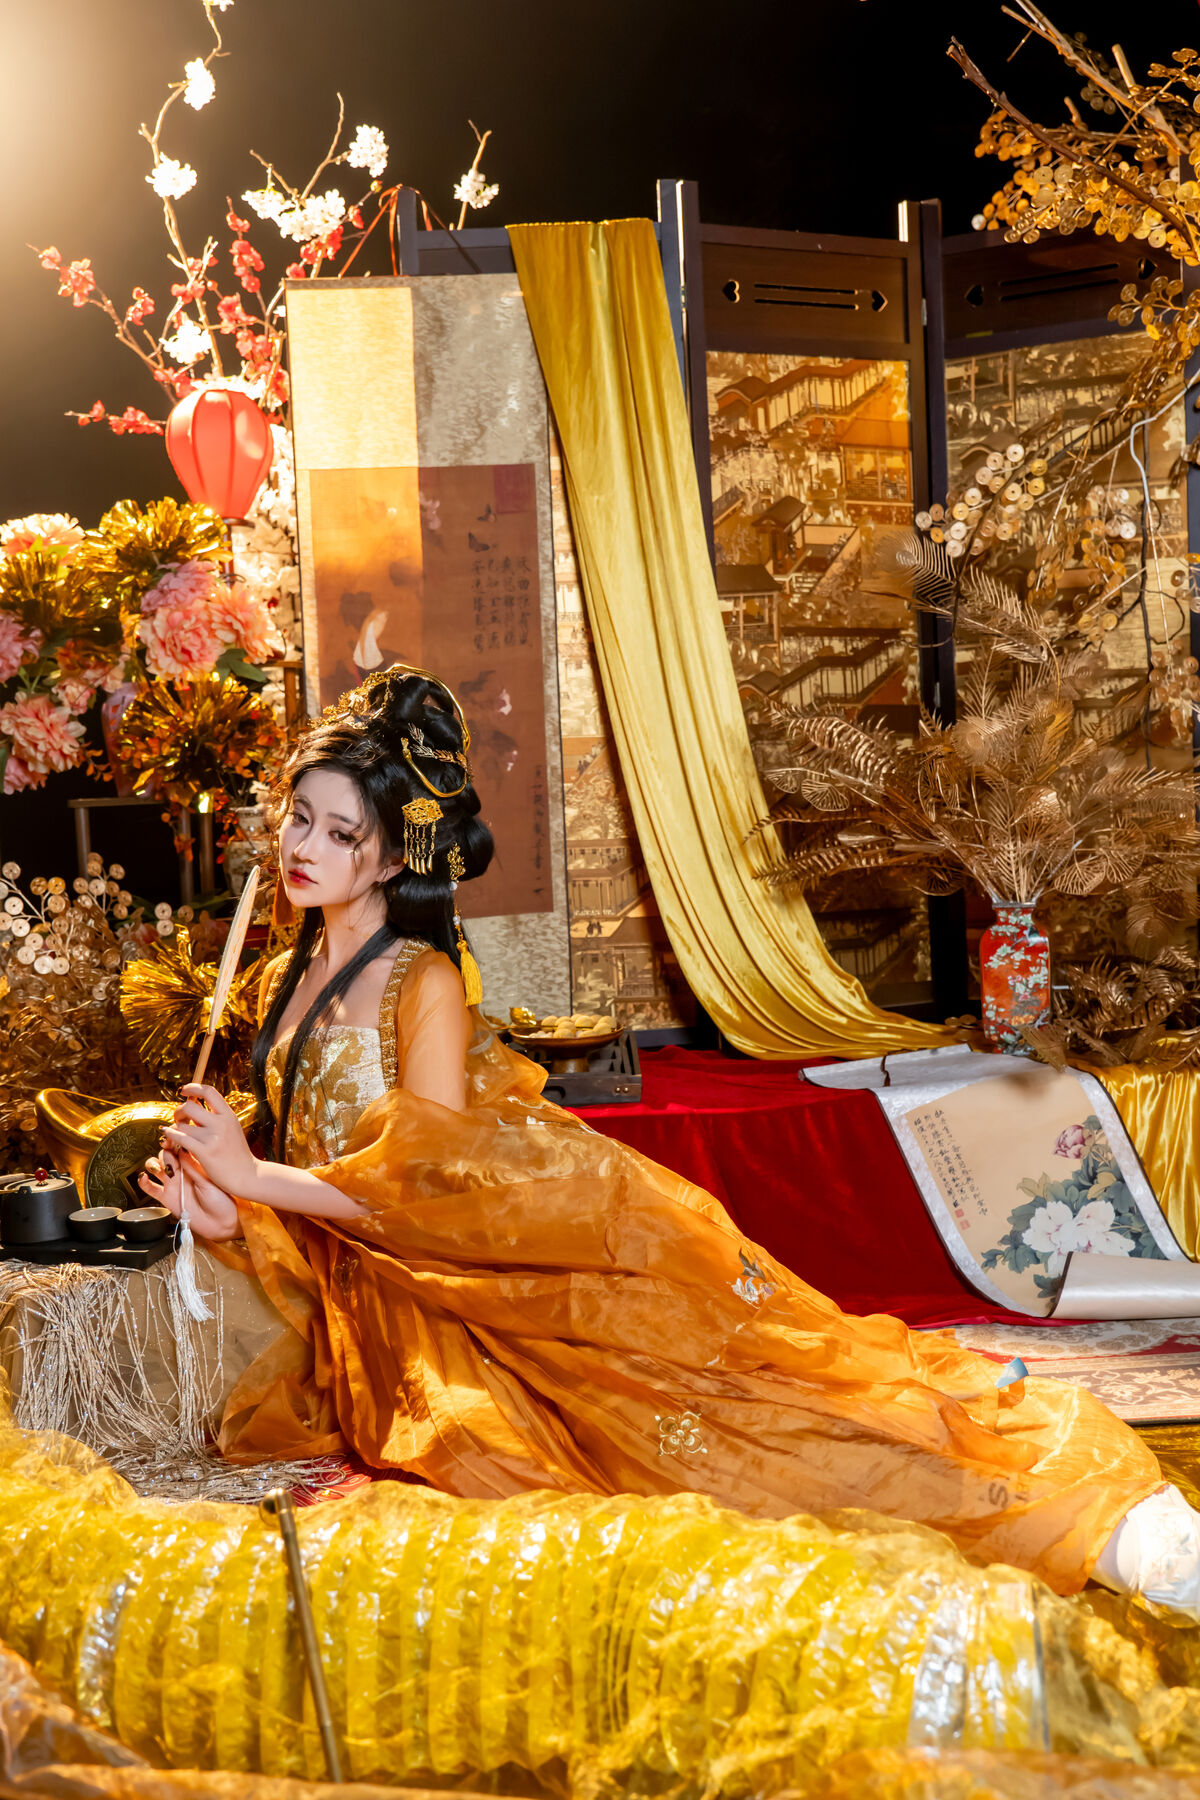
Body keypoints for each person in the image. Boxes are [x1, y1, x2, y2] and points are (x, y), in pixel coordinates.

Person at [141, 664, 1200, 1618]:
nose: (304, 848)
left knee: (637, 1448)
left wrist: (255, 1173)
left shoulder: (420, 984)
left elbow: (434, 1188)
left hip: (453, 1277)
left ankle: (1099, 1531)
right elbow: (303, 1181)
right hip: (360, 1292)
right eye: (300, 818)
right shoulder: (284, 980)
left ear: (391, 853)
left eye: (339, 833)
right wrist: (223, 1204)